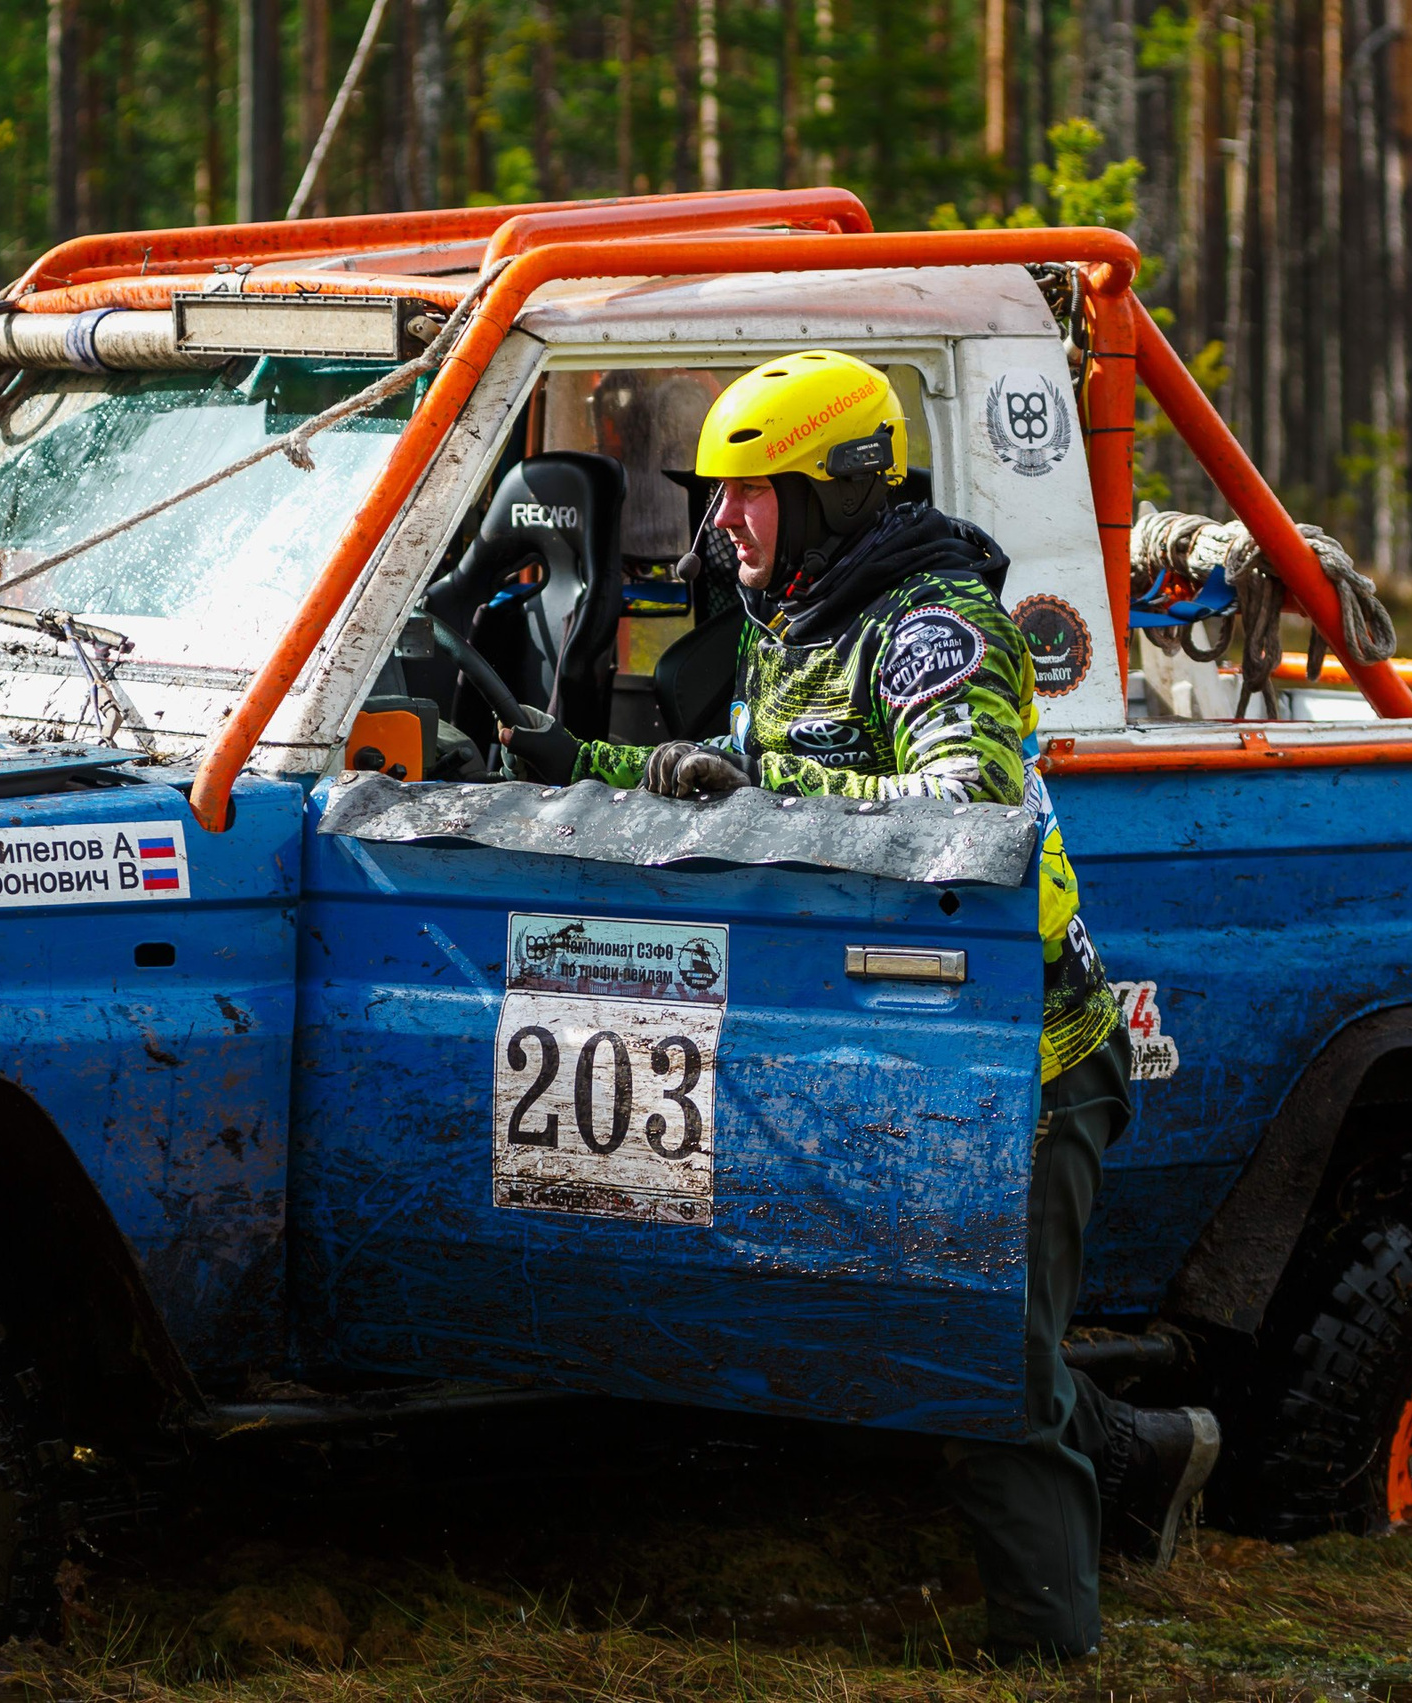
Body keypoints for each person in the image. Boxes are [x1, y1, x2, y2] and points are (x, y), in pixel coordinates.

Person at [500, 349, 1219, 1659]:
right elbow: (746, 770)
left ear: (829, 494)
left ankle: (1047, 1657)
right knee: (929, 1336)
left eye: (746, 495)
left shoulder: (928, 626)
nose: (720, 523)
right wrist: (585, 762)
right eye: (714, 497)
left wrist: (764, 804)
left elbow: (966, 806)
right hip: (897, 1038)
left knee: (984, 1372)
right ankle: (1155, 1457)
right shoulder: (802, 622)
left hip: (1024, 1061)